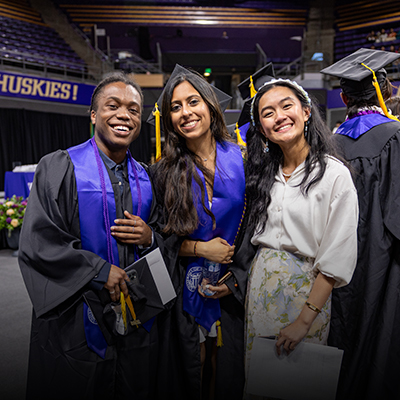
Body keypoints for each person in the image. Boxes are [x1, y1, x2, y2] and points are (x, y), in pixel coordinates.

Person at [18, 72, 164, 400]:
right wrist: (98, 271)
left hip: (137, 316)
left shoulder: (147, 176)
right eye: (112, 106)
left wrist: (150, 237)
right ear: (94, 114)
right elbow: (38, 241)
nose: (124, 115)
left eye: (133, 109)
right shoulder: (60, 167)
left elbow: (165, 239)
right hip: (77, 317)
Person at [244, 78, 358, 397]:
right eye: (267, 112)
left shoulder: (334, 175)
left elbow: (338, 254)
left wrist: (304, 320)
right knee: (259, 386)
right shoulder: (263, 175)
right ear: (262, 128)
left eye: (286, 106)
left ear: (306, 112)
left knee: (298, 387)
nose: (278, 115)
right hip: (260, 292)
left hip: (305, 295)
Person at [149, 64, 250, 400]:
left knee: (228, 367)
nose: (185, 112)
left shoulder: (243, 159)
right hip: (185, 285)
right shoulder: (163, 172)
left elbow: (257, 228)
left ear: (210, 105)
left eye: (193, 102)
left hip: (234, 285)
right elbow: (158, 239)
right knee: (193, 365)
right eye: (175, 107)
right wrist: (200, 249)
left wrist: (235, 278)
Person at [320, 47, 400, 400]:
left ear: (343, 96)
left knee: (344, 329)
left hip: (340, 263)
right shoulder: (396, 136)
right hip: (387, 261)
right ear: (386, 88)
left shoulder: (328, 146)